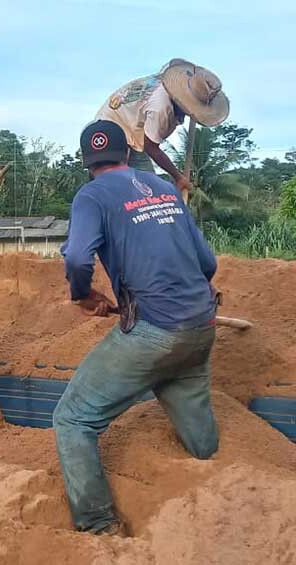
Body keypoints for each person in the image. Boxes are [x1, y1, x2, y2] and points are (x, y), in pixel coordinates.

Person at [54, 120, 220, 535]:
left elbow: (77, 258)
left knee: (73, 418)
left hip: (155, 331)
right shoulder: (164, 189)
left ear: (86, 162)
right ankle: (218, 492)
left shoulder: (91, 195)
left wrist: (83, 295)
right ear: (127, 154)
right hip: (201, 325)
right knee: (199, 434)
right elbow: (209, 264)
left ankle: (98, 526)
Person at [95, 58, 229, 193]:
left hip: (129, 127)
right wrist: (178, 177)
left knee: (148, 188)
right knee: (125, 190)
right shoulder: (161, 109)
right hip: (111, 127)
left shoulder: (170, 77)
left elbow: (175, 62)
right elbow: (151, 147)